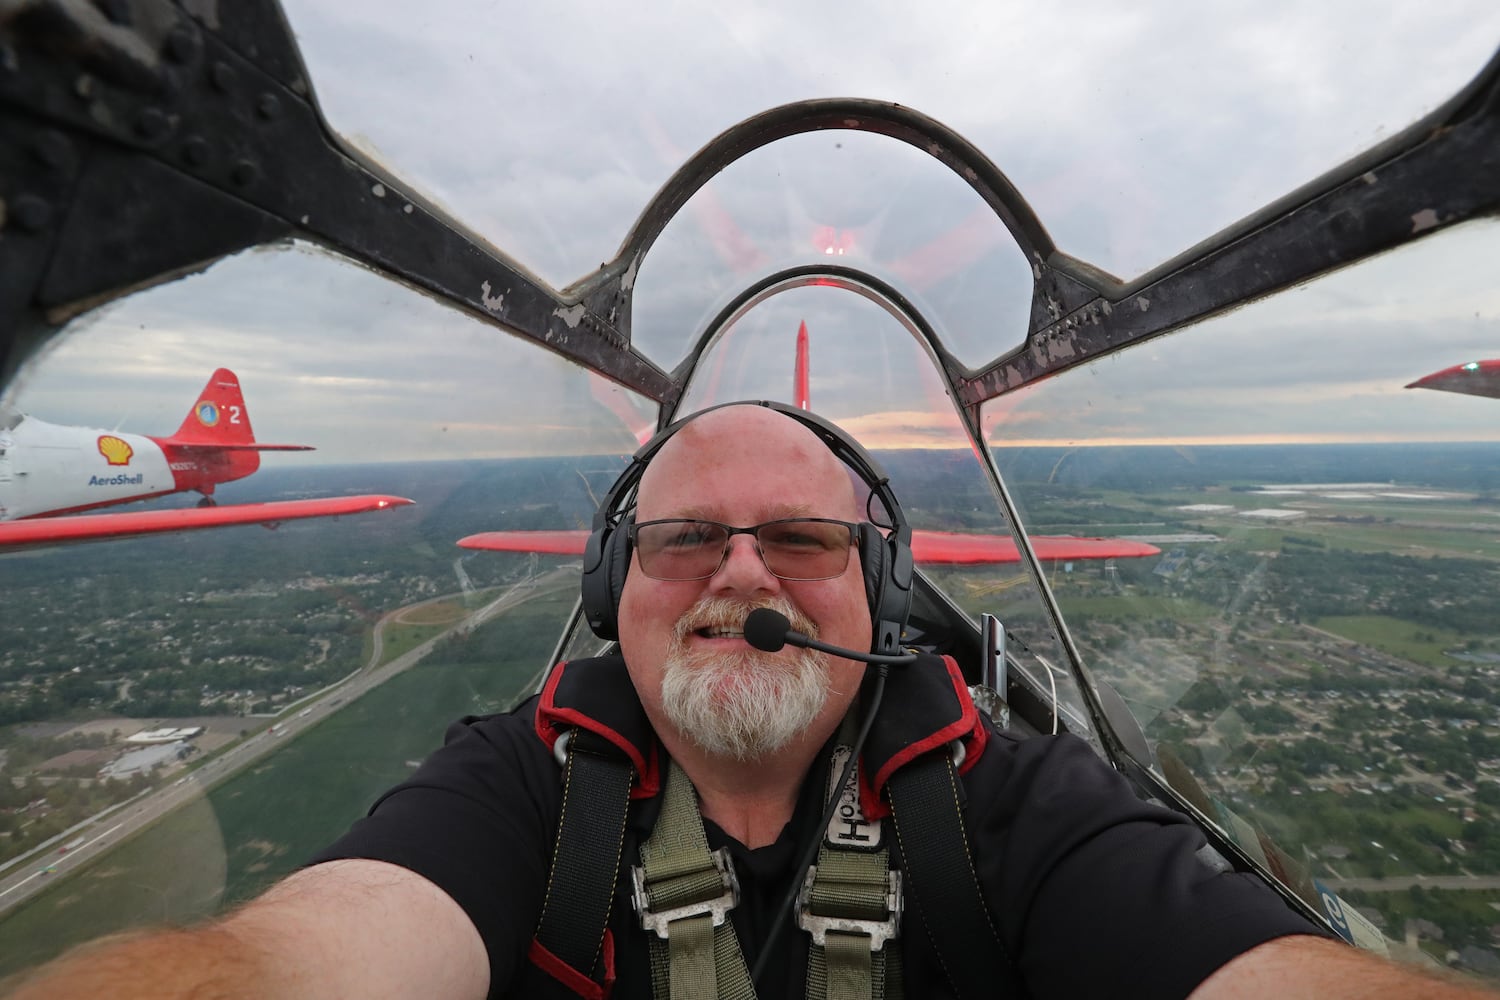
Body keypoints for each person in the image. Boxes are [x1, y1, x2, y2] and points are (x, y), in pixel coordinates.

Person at [4, 402, 1497, 999]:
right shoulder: (521, 783)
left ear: (886, 591)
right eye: (679, 541)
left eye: (800, 541)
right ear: (611, 586)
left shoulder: (1018, 803)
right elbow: (295, 961)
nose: (737, 576)